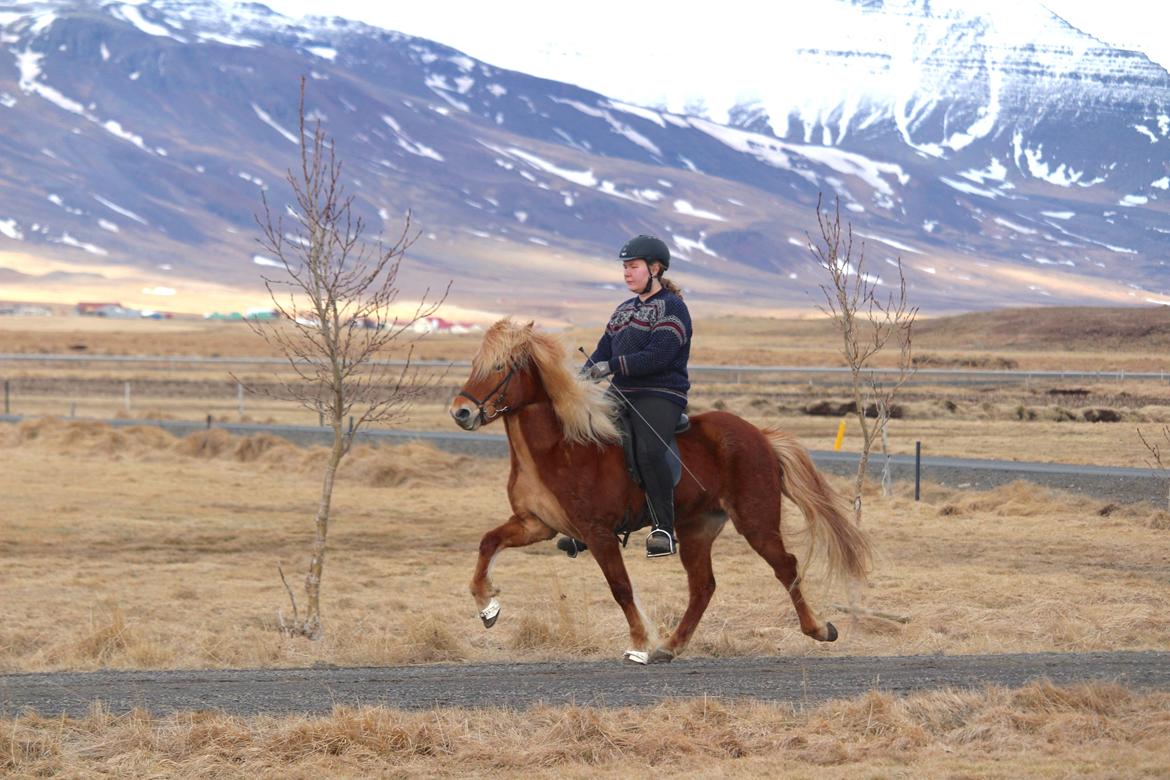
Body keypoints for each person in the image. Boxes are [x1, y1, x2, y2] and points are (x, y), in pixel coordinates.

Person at [585, 234, 692, 557]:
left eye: (633, 267)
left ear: (655, 269)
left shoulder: (673, 308)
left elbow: (658, 356)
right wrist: (578, 380)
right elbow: (600, 352)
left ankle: (663, 528)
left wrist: (612, 366)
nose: (627, 273)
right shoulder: (622, 311)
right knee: (588, 440)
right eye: (625, 268)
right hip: (621, 391)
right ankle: (589, 524)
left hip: (661, 392)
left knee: (647, 451)